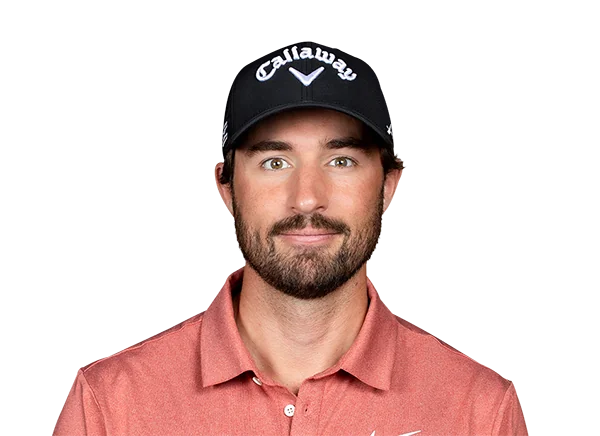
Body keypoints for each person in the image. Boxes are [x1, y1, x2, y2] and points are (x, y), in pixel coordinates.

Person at [54, 40, 529, 435]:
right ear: (226, 188)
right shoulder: (112, 406)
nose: (306, 199)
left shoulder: (476, 410)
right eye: (274, 162)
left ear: (387, 185)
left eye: (341, 161)